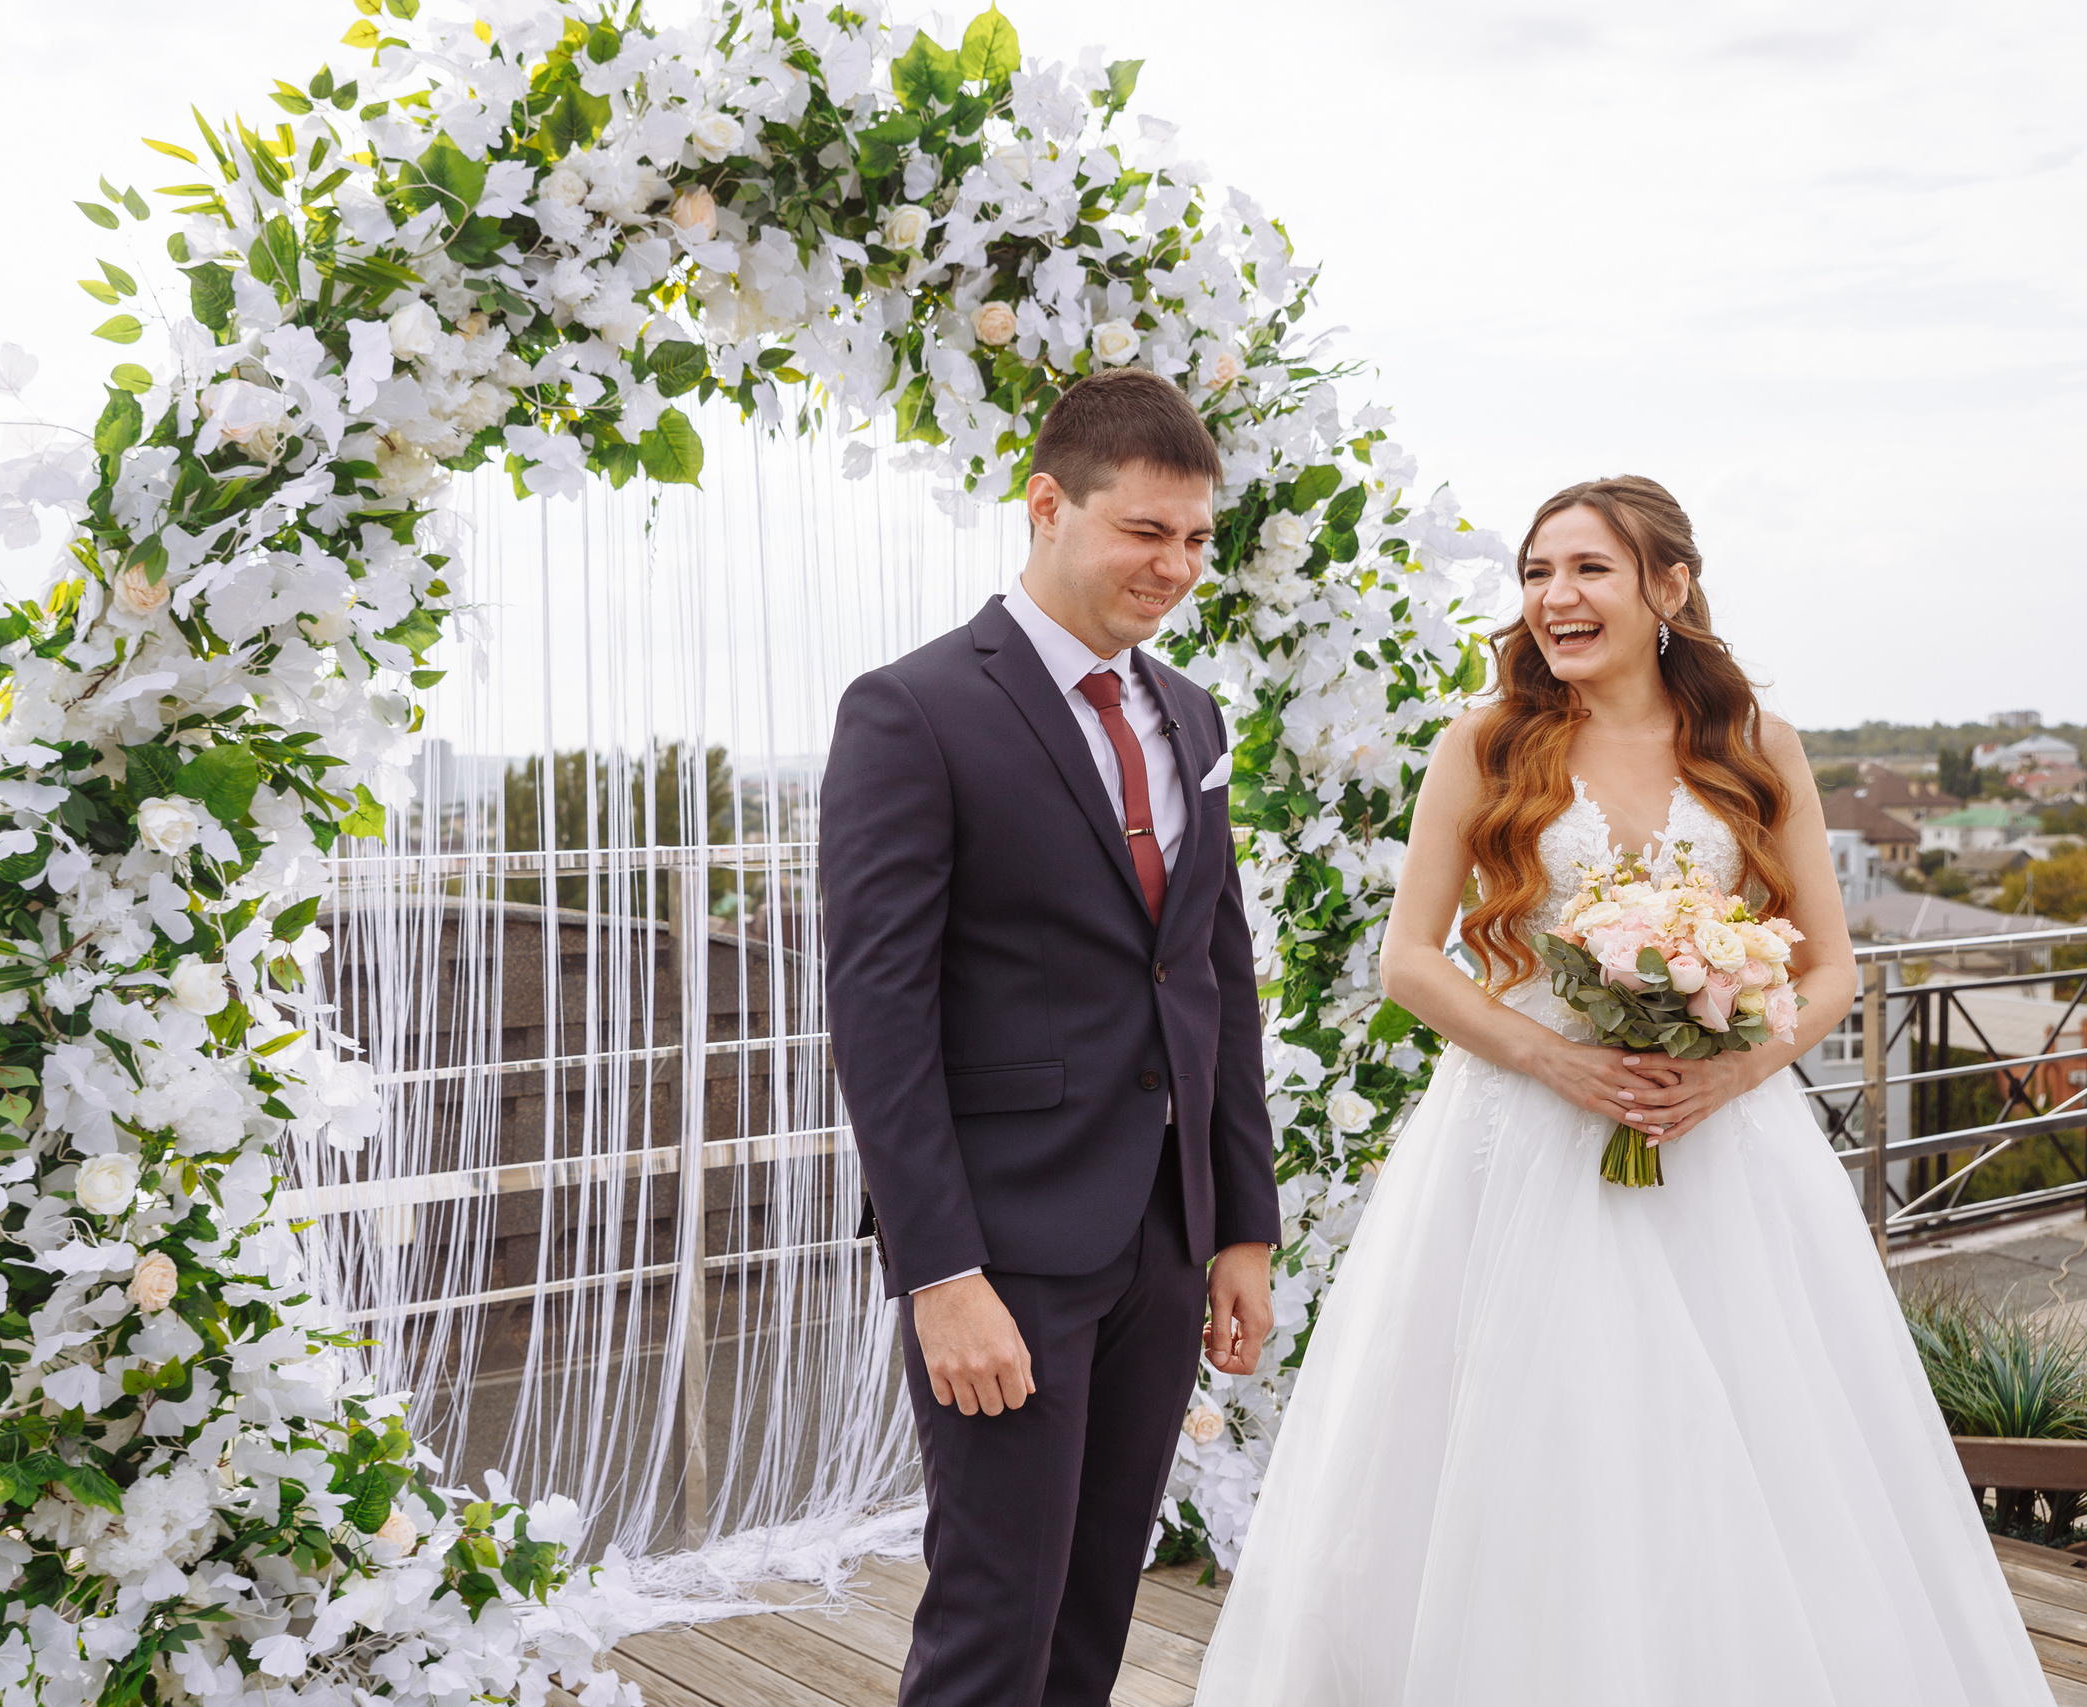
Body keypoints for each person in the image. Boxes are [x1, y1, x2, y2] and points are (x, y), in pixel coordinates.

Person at [1196, 476, 2052, 1705]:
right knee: (1529, 1444)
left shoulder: (1757, 746)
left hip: (1723, 1149)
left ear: (1669, 588)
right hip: (1520, 1138)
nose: (1555, 597)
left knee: (1747, 1445)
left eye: (1587, 569)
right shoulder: (1485, 745)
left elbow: (1828, 971)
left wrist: (1732, 1075)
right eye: (1538, 573)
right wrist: (1558, 1060)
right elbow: (1409, 961)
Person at [820, 365, 1280, 1707]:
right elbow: (880, 1015)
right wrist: (941, 1270)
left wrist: (1237, 1221)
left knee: (1093, 1613)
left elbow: (1212, 977)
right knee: (993, 1617)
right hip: (1006, 1246)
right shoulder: (912, 711)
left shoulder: (1186, 713)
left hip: (1162, 1233)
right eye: (1146, 530)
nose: (1177, 565)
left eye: (1197, 538)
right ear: (1045, 506)